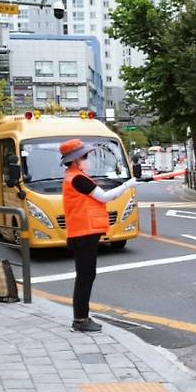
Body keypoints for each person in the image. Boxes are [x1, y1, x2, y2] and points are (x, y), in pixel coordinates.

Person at [60, 139, 138, 332]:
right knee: (85, 277)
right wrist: (128, 185)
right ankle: (80, 320)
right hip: (84, 233)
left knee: (85, 275)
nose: (89, 160)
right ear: (77, 160)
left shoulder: (74, 176)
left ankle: (81, 318)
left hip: (82, 233)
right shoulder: (77, 178)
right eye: (86, 156)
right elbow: (104, 197)